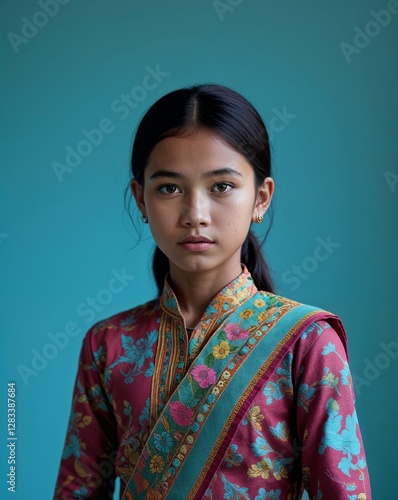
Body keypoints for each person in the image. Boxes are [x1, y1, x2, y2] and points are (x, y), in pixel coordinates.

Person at [54, 84, 371, 499]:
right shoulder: (108, 344)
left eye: (221, 186)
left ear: (260, 198)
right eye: (169, 188)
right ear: (141, 200)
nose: (195, 215)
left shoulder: (307, 345)